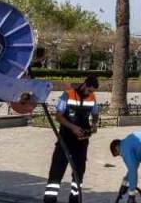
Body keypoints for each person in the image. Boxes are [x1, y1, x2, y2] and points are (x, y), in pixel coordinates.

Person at [43, 75, 100, 203]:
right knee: (57, 171)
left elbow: (95, 113)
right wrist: (73, 127)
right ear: (85, 84)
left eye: (93, 92)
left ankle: (74, 199)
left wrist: (94, 124)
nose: (90, 93)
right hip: (65, 139)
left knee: (79, 173)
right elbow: (58, 116)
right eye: (89, 90)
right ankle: (49, 200)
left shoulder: (92, 97)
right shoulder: (68, 95)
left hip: (81, 141)